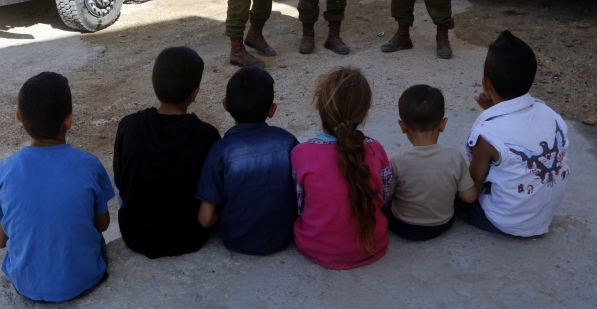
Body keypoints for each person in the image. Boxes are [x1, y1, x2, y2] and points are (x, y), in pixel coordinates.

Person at [0, 72, 115, 302]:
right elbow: (102, 224)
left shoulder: (3, 171)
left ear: (18, 117)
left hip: (27, 285)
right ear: (68, 121)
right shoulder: (89, 164)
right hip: (85, 280)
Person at [457, 30, 570, 237]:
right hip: (543, 218)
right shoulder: (552, 116)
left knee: (451, 190)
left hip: (504, 222)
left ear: (486, 83)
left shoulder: (487, 134)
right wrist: (494, 111)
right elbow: (517, 130)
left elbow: (473, 191)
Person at [112, 46, 221, 258]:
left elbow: (121, 181)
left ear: (152, 82)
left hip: (135, 235)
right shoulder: (207, 136)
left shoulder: (129, 127)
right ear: (195, 93)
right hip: (191, 237)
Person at [291, 67, 392, 269]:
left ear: (319, 104)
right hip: (372, 245)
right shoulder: (375, 149)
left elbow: (300, 205)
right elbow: (385, 195)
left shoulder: (301, 153)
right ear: (364, 112)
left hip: (316, 248)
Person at [196, 67, 299, 255]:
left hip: (237, 240)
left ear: (225, 105)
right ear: (272, 110)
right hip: (284, 236)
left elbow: (205, 219)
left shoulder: (220, 152)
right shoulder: (288, 142)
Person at [383, 84, 478, 241]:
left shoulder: (397, 161)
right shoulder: (454, 157)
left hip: (403, 226)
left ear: (403, 126)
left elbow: (387, 197)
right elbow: (470, 197)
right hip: (442, 224)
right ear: (443, 124)